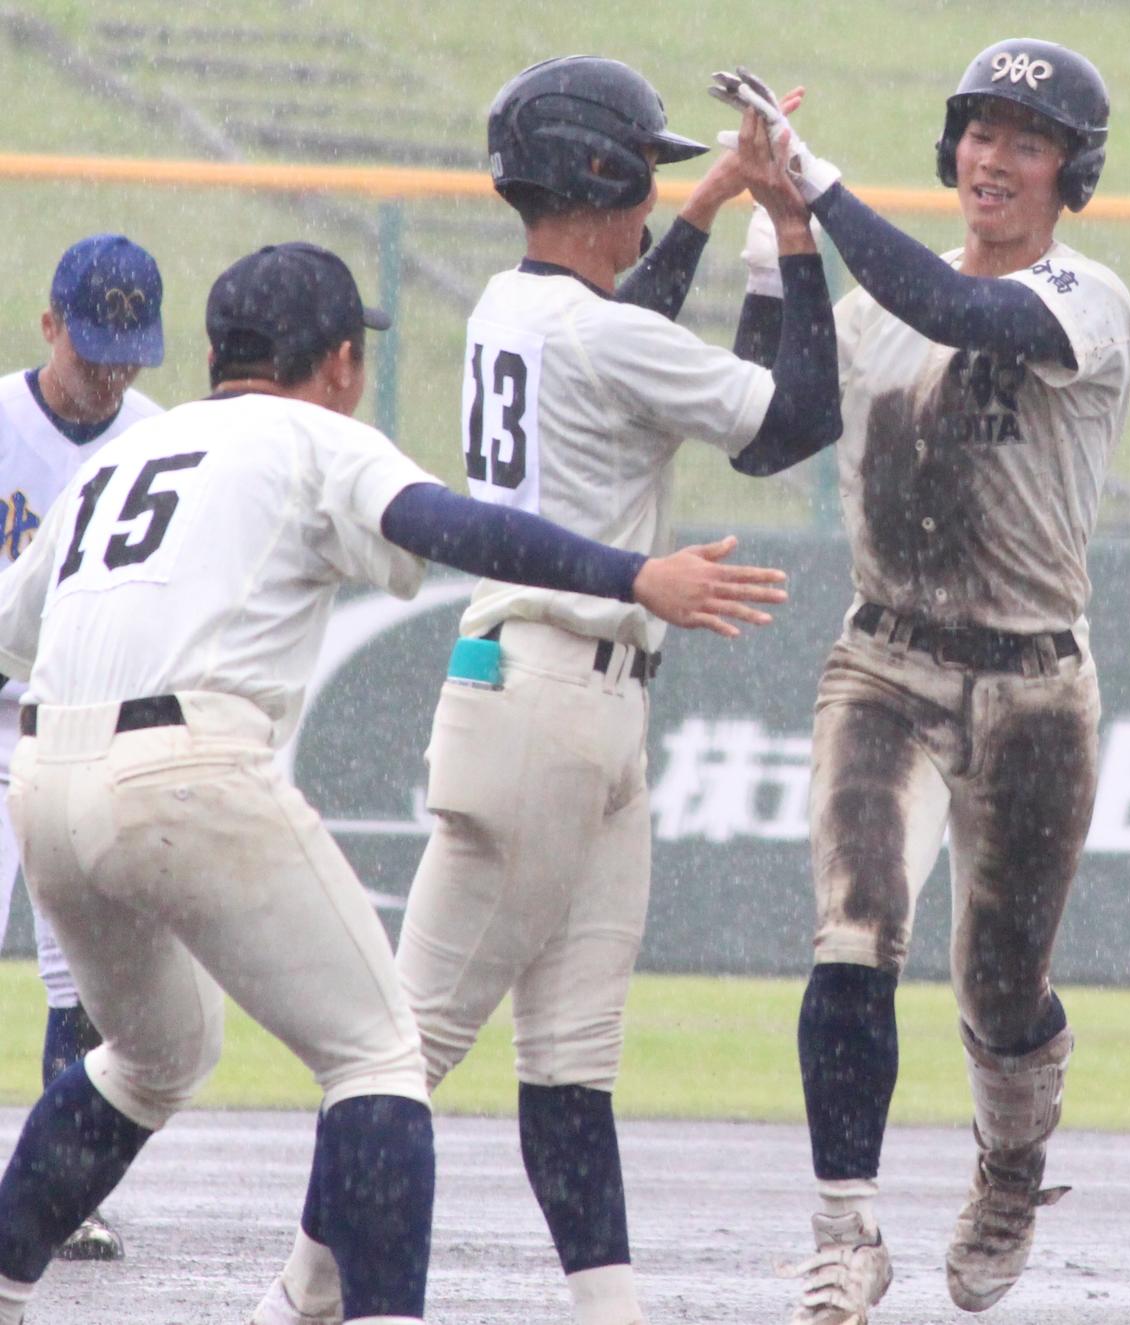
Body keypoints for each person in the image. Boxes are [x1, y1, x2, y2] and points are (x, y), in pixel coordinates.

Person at [0, 239, 790, 1325]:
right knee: (379, 1055)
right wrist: (631, 573)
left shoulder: (119, 459)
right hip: (184, 767)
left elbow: (14, 625)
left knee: (151, 1053)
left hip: (44, 778)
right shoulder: (317, 432)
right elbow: (456, 525)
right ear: (336, 360)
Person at [254, 54, 840, 1325]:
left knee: (569, 1063)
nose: (651, 200)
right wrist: (781, 233)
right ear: (600, 176)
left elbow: (628, 334)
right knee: (398, 1048)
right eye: (646, 178)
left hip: (569, 706)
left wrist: (704, 209)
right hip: (544, 705)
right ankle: (298, 1292)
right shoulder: (595, 326)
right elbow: (790, 419)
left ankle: (604, 1309)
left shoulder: (509, 306)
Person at [712, 38, 1130, 1321]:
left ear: (1073, 170)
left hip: (1032, 682)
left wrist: (820, 184)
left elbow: (962, 314)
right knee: (853, 932)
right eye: (977, 131)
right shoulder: (873, 302)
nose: (991, 158)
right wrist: (777, 234)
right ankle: (844, 1229)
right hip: (886, 657)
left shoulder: (1086, 291)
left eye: (1025, 138)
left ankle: (1010, 1165)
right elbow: (769, 428)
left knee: (1000, 984)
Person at [0, 232, 165, 1261]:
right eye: (91, 345)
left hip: (75, 727)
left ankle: (63, 1189)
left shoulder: (153, 435)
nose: (109, 371)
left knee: (90, 978)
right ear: (49, 323)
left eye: (128, 350)